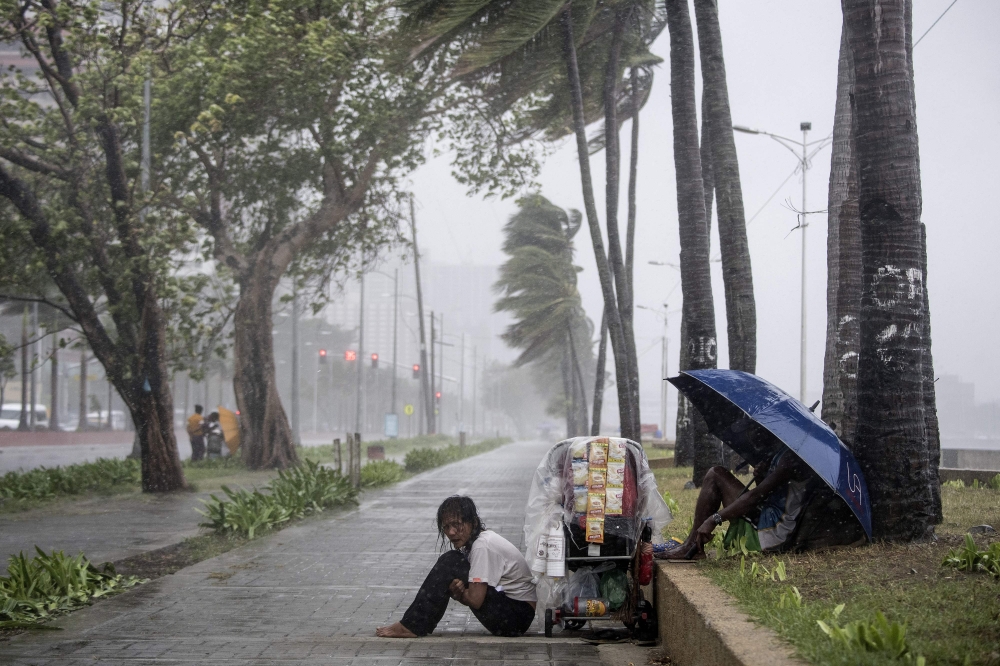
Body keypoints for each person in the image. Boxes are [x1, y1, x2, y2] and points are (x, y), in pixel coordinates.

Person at [376, 496, 537, 638]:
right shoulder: (478, 542)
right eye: (446, 527)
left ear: (473, 522)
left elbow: (476, 600)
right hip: (515, 616)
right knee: (452, 561)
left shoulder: (482, 545)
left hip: (516, 618)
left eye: (457, 525)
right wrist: (459, 592)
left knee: (450, 561)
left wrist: (460, 595)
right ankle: (414, 624)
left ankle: (412, 625)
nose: (451, 532)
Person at [657, 445, 815, 559]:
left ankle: (691, 546)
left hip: (771, 532)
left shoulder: (791, 457)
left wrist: (714, 519)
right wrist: (761, 476)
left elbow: (756, 496)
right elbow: (771, 494)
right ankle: (691, 545)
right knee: (716, 474)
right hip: (767, 516)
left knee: (715, 475)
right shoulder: (782, 452)